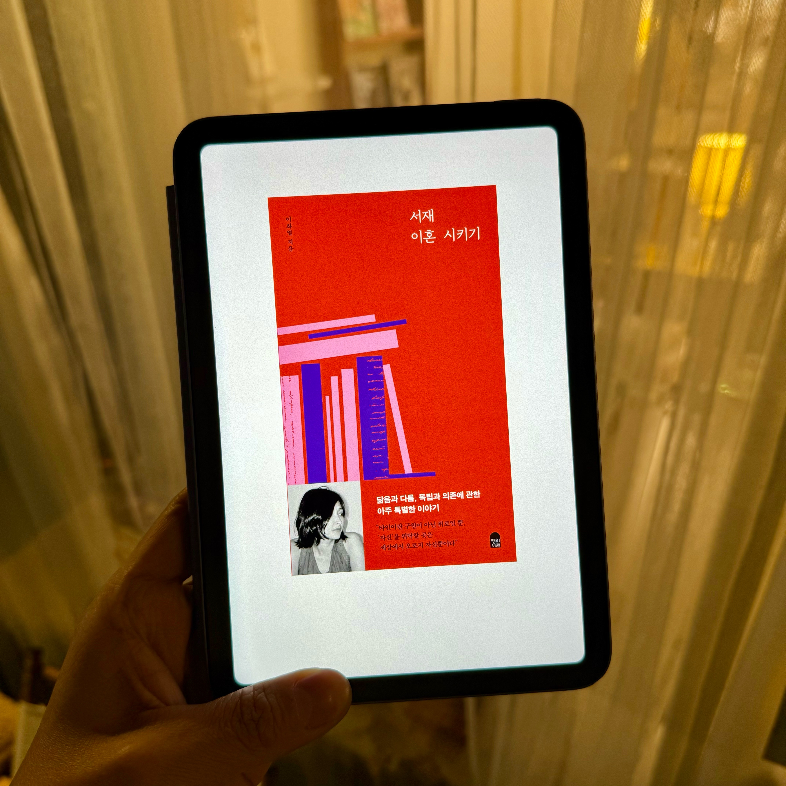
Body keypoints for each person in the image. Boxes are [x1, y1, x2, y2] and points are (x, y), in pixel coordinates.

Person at [12, 491, 352, 785]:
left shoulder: (351, 546)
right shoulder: (294, 552)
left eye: (343, 513)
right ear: (316, 517)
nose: (342, 520)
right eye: (336, 513)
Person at [290, 487, 365, 576]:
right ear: (312, 518)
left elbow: (361, 582)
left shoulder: (352, 541)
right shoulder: (294, 549)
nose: (339, 521)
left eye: (340, 513)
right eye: (330, 515)